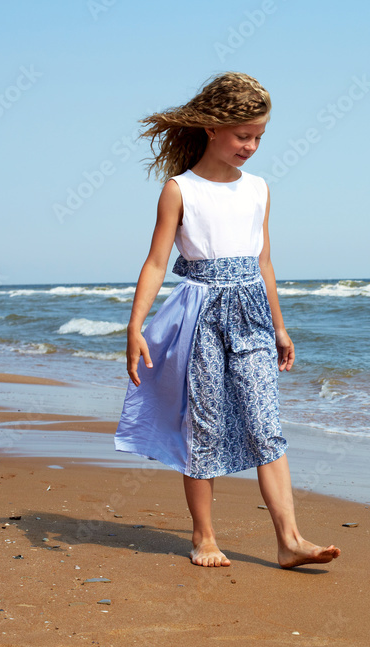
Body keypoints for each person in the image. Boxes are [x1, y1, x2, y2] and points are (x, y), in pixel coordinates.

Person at [114, 72, 340, 569]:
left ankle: (290, 541)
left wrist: (279, 327)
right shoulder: (179, 190)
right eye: (243, 135)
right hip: (199, 317)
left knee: (266, 425)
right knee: (205, 426)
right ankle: (204, 538)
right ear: (212, 128)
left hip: (252, 316)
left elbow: (264, 263)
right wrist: (135, 327)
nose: (251, 146)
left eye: (259, 136)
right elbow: (155, 264)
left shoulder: (258, 189)